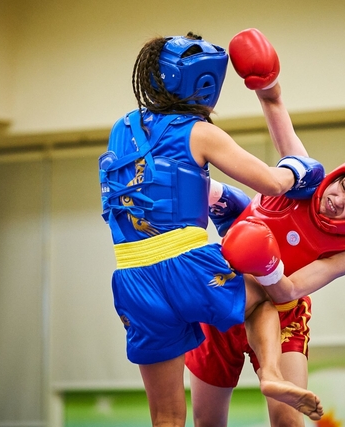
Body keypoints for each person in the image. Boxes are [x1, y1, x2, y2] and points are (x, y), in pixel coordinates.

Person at [98, 31, 327, 426]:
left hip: (131, 281)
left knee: (167, 416)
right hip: (186, 266)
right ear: (206, 83)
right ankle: (271, 376)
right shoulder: (199, 132)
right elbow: (271, 183)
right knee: (265, 297)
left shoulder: (122, 128)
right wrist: (301, 170)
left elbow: (156, 186)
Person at [185, 28, 345, 427]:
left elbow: (287, 290)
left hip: (281, 311)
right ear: (337, 175)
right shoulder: (306, 176)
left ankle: (272, 376)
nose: (337, 199)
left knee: (289, 423)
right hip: (225, 290)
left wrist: (263, 257)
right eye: (343, 185)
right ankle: (218, 198)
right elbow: (274, 101)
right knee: (206, 424)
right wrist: (263, 79)